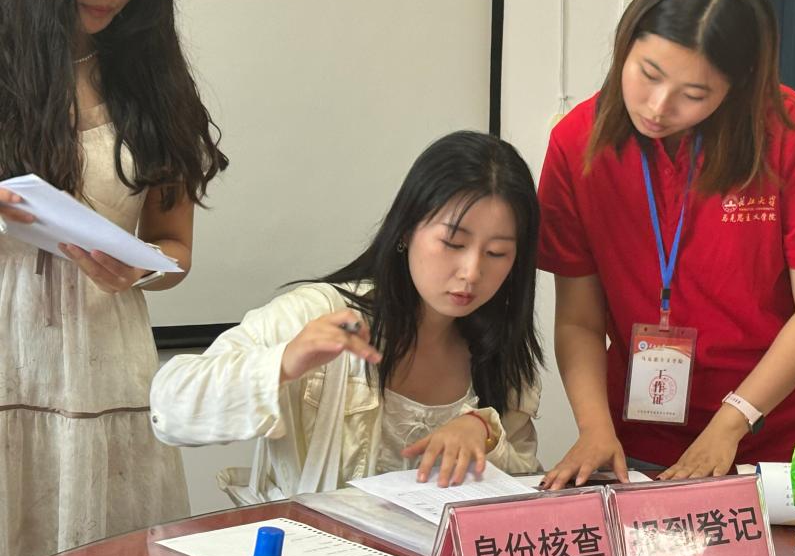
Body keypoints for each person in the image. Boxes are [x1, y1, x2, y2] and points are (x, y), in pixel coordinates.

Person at [538, 0, 795, 490]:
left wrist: (733, 420)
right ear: (626, 42)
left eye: (694, 95)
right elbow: (578, 320)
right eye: (648, 74)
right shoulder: (577, 144)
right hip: (643, 446)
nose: (658, 107)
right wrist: (594, 429)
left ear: (738, 85)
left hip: (788, 444)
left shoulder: (789, 132)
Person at [0, 0, 228, 556]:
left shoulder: (148, 75)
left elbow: (173, 247)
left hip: (103, 373)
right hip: (7, 360)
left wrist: (140, 270)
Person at [150, 131, 543, 502]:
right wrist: (283, 363)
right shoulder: (319, 313)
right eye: (453, 243)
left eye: (497, 253)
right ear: (406, 230)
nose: (472, 272)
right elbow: (169, 407)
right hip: (310, 549)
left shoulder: (501, 354)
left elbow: (527, 493)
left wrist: (485, 433)